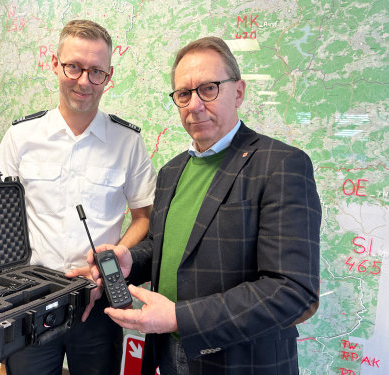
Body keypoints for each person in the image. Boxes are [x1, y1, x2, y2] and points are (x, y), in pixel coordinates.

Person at [88, 36, 321, 374]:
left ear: (238, 92)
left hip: (241, 362)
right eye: (183, 94)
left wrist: (179, 317)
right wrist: (130, 261)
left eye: (208, 89)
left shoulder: (281, 165)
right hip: (168, 354)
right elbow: (165, 248)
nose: (194, 105)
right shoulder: (171, 171)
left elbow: (292, 291)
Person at [0, 19, 156, 375]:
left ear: (108, 76)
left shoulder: (128, 142)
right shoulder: (21, 137)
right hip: (29, 299)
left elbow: (144, 216)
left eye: (96, 71)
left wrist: (111, 259)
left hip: (98, 297)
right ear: (55, 64)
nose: (84, 81)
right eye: (74, 67)